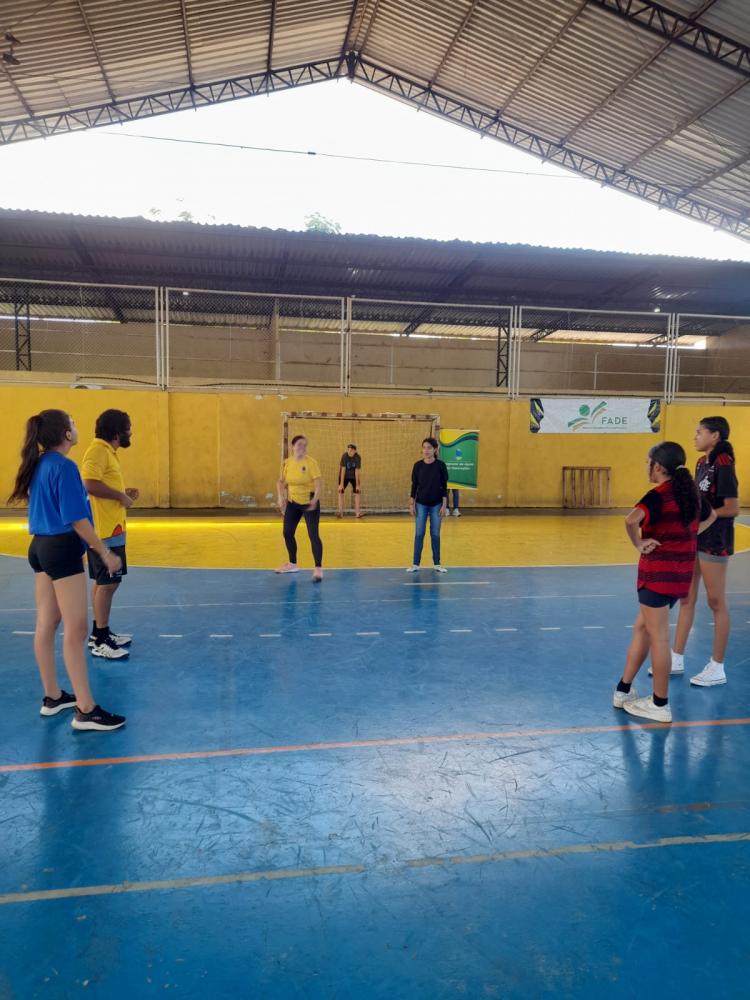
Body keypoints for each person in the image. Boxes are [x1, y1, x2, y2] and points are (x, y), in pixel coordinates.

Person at [7, 409, 126, 732]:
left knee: (46, 624)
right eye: (73, 422)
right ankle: (86, 710)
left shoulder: (39, 463)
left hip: (39, 548)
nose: (76, 425)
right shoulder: (65, 467)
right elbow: (76, 518)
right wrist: (104, 552)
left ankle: (53, 696)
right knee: (75, 630)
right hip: (61, 550)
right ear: (67, 434)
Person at [612, 442, 715, 724]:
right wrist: (688, 535)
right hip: (678, 576)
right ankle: (623, 690)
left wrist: (638, 543)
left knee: (658, 637)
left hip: (657, 575)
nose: (646, 466)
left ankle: (660, 703)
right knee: (642, 627)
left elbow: (630, 520)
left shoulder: (657, 496)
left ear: (657, 466)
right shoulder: (690, 493)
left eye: (648, 462)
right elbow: (712, 516)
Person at [671, 416, 740, 688]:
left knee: (715, 601)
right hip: (697, 538)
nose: (695, 436)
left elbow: (732, 507)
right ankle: (676, 658)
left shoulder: (724, 463)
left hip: (715, 539)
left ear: (715, 436)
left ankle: (717, 667)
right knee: (686, 597)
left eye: (700, 432)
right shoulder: (701, 463)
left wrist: (706, 520)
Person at [82, 409, 137, 660]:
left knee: (105, 582)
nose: (130, 432)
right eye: (128, 428)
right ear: (117, 433)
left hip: (111, 528)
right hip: (104, 531)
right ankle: (101, 639)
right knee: (108, 583)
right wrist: (119, 496)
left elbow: (100, 483)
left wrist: (122, 494)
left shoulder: (106, 452)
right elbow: (89, 483)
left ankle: (100, 633)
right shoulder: (97, 451)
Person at [276, 434, 324, 582]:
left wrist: (314, 501)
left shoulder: (311, 463)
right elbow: (281, 482)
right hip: (293, 503)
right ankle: (292, 564)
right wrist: (281, 497)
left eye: (305, 445)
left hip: (309, 503)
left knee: (313, 535)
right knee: (287, 533)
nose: (302, 447)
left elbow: (318, 485)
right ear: (293, 447)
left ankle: (318, 568)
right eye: (299, 445)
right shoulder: (287, 463)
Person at [407, 437, 449, 573]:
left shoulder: (441, 466)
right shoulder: (417, 466)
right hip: (421, 504)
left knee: (435, 534)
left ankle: (437, 564)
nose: (426, 450)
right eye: (424, 447)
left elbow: (444, 486)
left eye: (429, 448)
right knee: (419, 533)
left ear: (435, 450)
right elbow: (414, 486)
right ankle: (415, 564)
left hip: (437, 504)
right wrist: (412, 503)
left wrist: (444, 504)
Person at [337, 443, 364, 518]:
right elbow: (343, 470)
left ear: (355, 451)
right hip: (344, 476)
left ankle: (357, 513)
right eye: (348, 449)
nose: (349, 451)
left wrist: (357, 485)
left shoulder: (357, 457)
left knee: (357, 492)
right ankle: (340, 512)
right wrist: (341, 484)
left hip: (353, 477)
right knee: (340, 491)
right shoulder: (344, 456)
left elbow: (357, 471)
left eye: (351, 450)